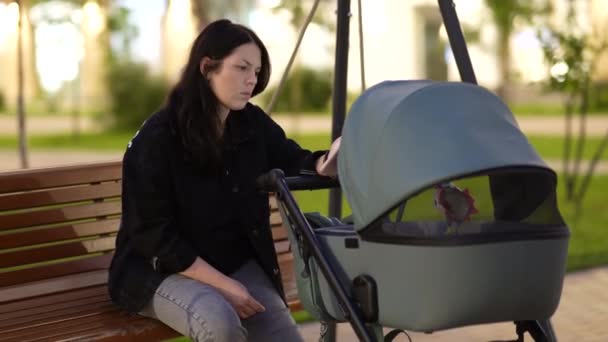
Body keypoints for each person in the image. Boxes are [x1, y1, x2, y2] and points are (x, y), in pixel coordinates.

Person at [108, 19, 339, 342]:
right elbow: (154, 236)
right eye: (242, 68)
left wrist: (326, 161)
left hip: (232, 263)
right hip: (160, 271)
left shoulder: (250, 123)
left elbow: (291, 159)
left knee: (282, 336)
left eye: (256, 72)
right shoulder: (159, 138)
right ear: (207, 68)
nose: (251, 80)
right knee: (220, 323)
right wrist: (224, 285)